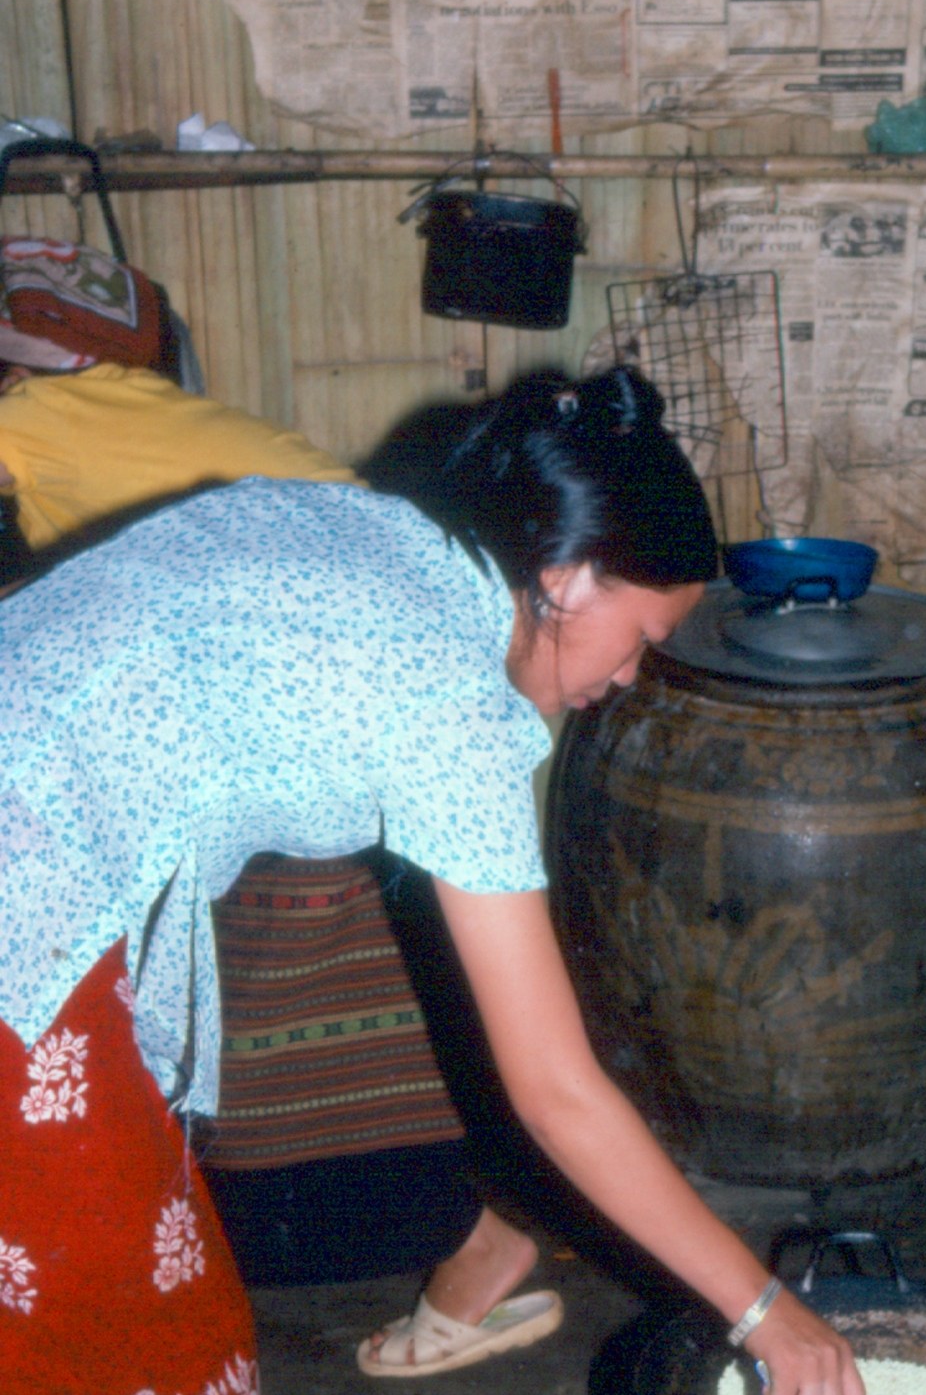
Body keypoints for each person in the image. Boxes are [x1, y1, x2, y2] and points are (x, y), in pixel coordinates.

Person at [0, 364, 865, 1395]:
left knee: (158, 1322)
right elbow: (553, 1091)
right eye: (642, 638)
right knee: (116, 1351)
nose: (628, 678)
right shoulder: (452, 704)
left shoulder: (395, 541)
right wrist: (760, 1310)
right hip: (22, 917)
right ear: (569, 576)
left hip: (59, 877)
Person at [0, 341, 546, 1325]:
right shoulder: (92, 390)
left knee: (295, 1055)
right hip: (336, 619)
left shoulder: (26, 429)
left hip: (317, 673)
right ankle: (444, 1220)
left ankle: (449, 1229)